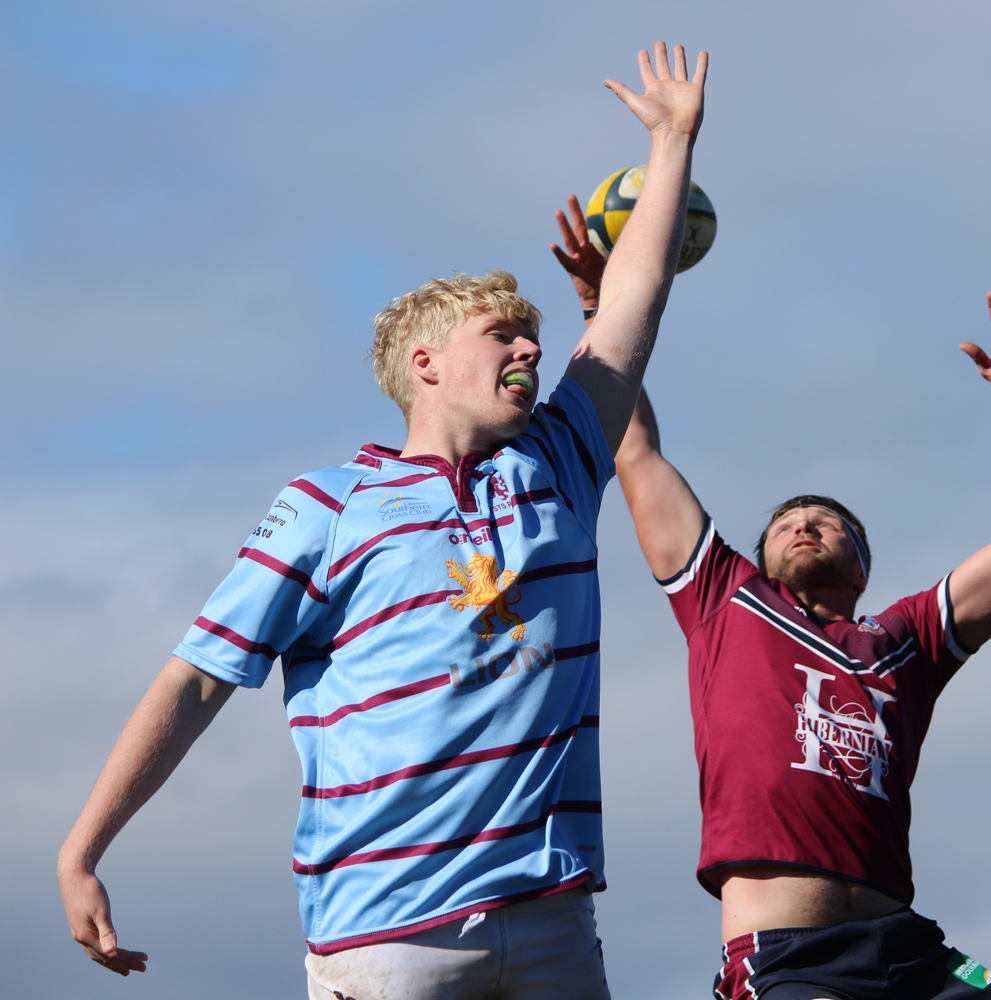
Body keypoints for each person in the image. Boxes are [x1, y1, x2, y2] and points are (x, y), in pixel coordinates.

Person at [57, 41, 708, 1000]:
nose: (532, 348)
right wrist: (82, 849)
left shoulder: (560, 462)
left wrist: (673, 141)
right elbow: (197, 679)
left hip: (554, 916)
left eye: (535, 336)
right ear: (425, 364)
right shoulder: (326, 506)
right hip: (386, 928)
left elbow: (634, 300)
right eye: (502, 334)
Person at [599, 259, 991, 998]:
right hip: (790, 957)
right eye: (787, 522)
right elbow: (636, 451)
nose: (804, 524)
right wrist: (603, 309)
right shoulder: (726, 599)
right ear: (762, 558)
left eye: (826, 521)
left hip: (910, 952)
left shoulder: (907, 641)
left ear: (862, 570)